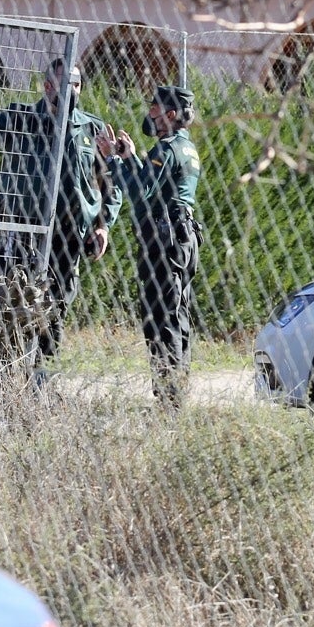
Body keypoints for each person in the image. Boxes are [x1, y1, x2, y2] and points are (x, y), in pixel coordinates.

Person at [0, 59, 121, 367]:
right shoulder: (21, 118)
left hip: (68, 232)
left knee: (57, 303)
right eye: (67, 84)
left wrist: (103, 225)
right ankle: (6, 371)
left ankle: (41, 376)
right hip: (21, 227)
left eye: (77, 84)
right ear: (48, 86)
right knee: (10, 296)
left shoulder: (92, 128)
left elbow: (109, 184)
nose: (72, 90)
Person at [102, 85, 200, 408]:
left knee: (161, 319)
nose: (150, 114)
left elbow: (141, 195)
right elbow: (153, 184)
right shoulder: (186, 147)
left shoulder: (166, 148)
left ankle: (168, 400)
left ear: (170, 115)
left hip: (165, 239)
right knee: (177, 313)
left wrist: (114, 163)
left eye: (155, 109)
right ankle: (175, 394)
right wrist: (131, 158)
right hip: (183, 239)